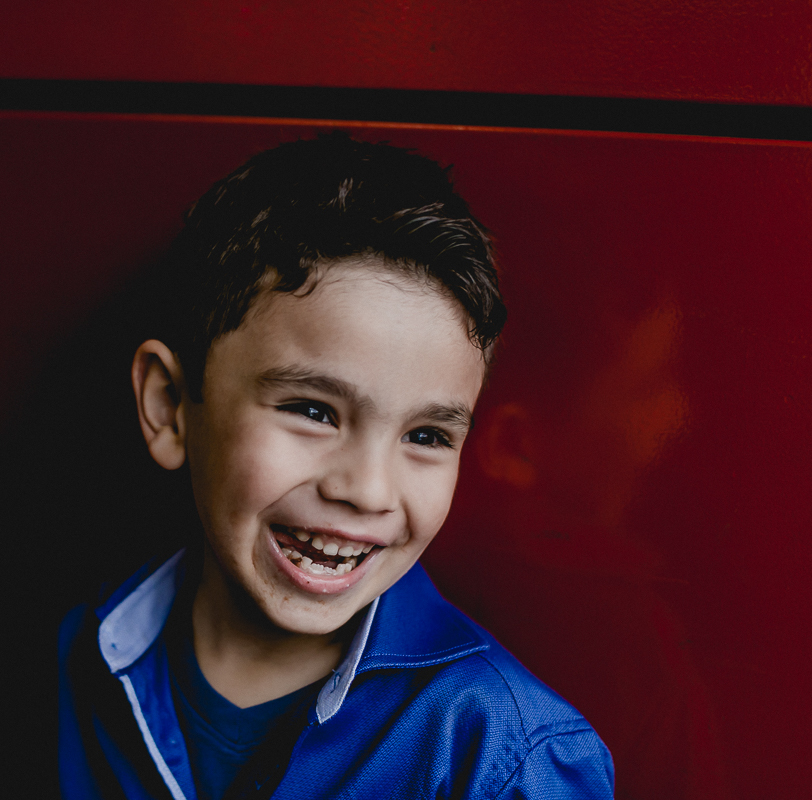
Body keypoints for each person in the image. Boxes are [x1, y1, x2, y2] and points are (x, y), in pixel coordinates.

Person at [57, 132, 614, 799]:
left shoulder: (503, 754)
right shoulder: (79, 656)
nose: (368, 490)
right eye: (314, 412)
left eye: (428, 435)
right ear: (171, 406)